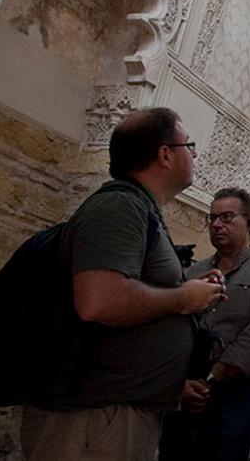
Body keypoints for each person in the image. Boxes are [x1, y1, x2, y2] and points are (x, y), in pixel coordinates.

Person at [20, 108, 226, 461]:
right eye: (188, 145)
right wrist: (182, 298)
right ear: (164, 154)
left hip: (117, 413)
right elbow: (98, 301)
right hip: (94, 421)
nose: (193, 155)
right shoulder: (119, 205)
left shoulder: (141, 210)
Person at [161, 187, 250, 461]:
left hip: (235, 392)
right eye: (212, 218)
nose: (217, 224)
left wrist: (210, 379)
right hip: (186, 390)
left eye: (227, 217)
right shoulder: (193, 273)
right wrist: (182, 384)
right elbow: (175, 326)